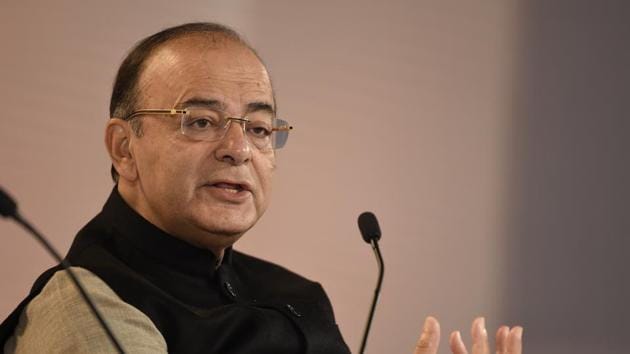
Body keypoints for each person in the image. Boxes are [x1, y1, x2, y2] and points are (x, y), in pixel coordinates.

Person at [0, 23, 522, 354]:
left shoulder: (294, 293)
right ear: (123, 148)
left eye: (259, 127)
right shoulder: (90, 310)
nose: (238, 148)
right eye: (200, 121)